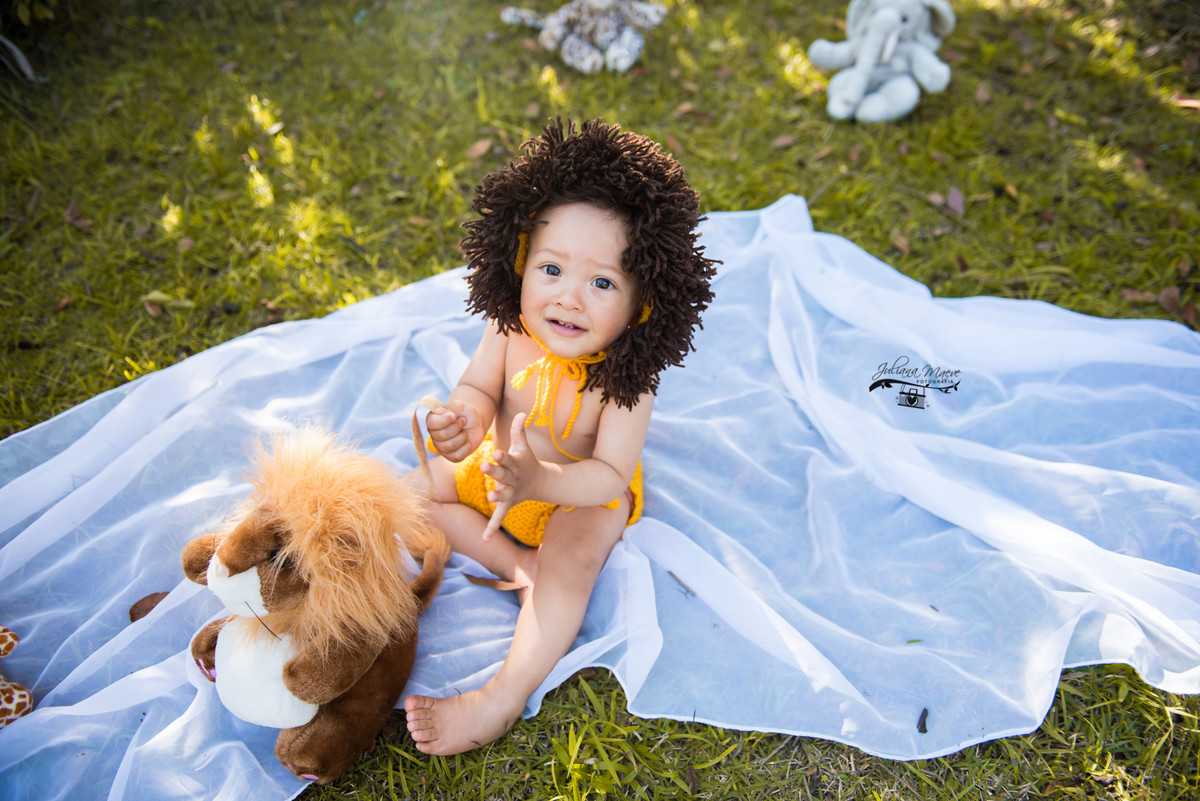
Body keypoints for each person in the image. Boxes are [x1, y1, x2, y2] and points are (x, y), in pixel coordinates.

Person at [403, 117, 717, 755]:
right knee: (410, 496)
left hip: (578, 493)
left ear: (643, 304)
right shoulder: (510, 330)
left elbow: (606, 473)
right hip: (496, 473)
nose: (570, 298)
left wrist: (541, 482)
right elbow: (478, 389)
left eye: (603, 283)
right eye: (551, 270)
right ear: (518, 264)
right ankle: (519, 565)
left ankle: (500, 698)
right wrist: (460, 420)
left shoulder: (627, 376)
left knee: (572, 561)